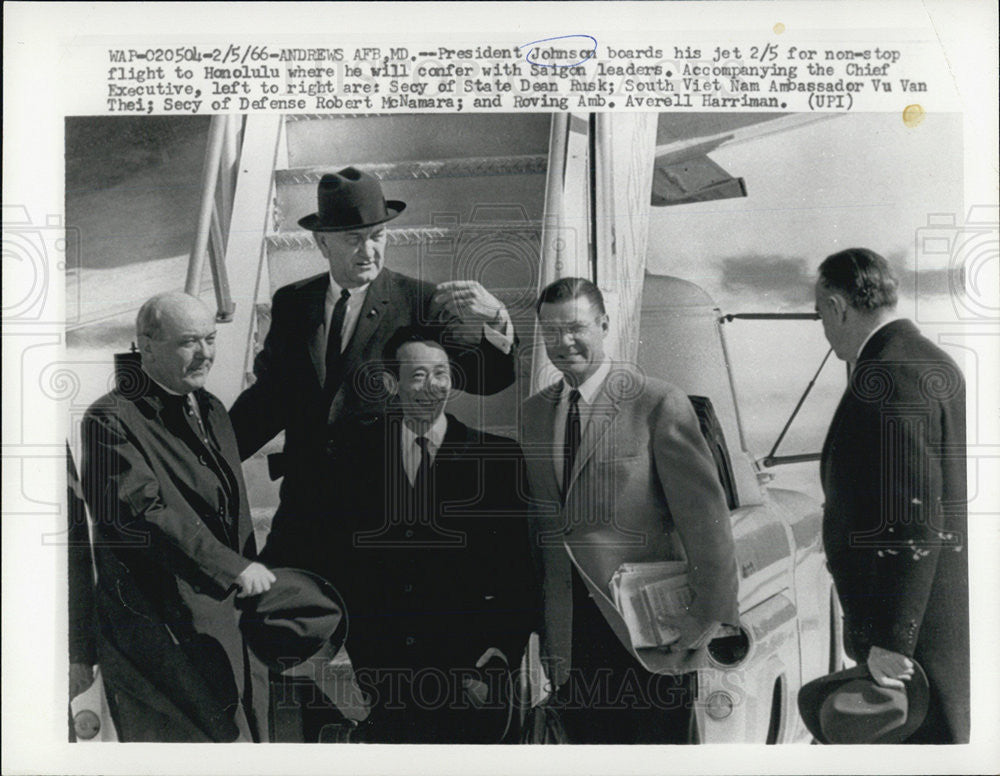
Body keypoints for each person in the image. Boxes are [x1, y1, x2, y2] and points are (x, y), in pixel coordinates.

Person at [228, 167, 517, 570]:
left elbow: (490, 379)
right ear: (321, 243)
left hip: (381, 512)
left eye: (377, 237)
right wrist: (209, 453)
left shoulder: (419, 301)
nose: (368, 251)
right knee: (275, 615)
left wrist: (498, 320)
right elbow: (269, 399)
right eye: (353, 239)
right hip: (304, 508)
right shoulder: (293, 303)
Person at [285, 326, 536, 743]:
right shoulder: (351, 455)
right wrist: (346, 649)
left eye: (441, 374)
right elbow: (329, 556)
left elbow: (517, 570)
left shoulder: (497, 458)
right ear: (391, 382)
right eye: (417, 376)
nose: (431, 388)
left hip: (468, 673)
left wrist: (497, 656)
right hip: (381, 673)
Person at [520, 277, 739, 744]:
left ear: (603, 325)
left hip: (652, 630)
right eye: (552, 331)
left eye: (577, 327)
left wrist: (708, 616)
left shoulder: (657, 402)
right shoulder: (535, 414)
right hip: (572, 638)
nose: (565, 342)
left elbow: (707, 520)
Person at [81, 291, 274, 742]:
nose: (205, 353)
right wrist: (233, 568)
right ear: (146, 346)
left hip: (228, 624)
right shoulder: (110, 420)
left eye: (210, 339)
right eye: (190, 341)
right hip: (164, 634)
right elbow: (142, 517)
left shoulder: (211, 409)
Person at [814, 248, 968, 743]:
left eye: (821, 315)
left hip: (909, 650)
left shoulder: (890, 376)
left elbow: (914, 518)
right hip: (937, 629)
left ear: (838, 307)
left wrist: (889, 640)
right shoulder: (929, 360)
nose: (824, 329)